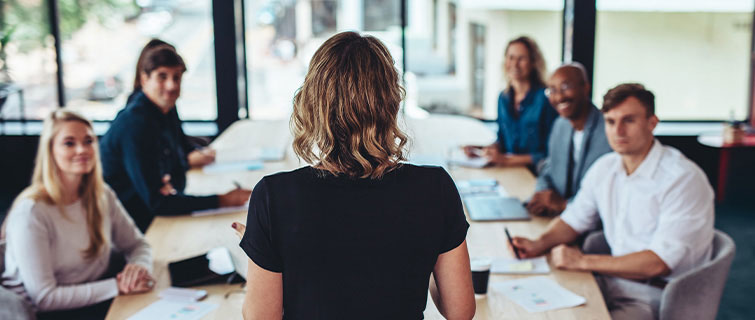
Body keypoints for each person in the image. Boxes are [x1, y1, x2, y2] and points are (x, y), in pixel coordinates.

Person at [232, 32, 476, 319]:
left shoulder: (274, 197)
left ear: (312, 104)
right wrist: (426, 245)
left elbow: (262, 317)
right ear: (391, 102)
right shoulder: (435, 188)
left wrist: (264, 251)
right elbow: (460, 311)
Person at [511, 83, 715, 319]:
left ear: (652, 123)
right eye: (610, 121)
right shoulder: (605, 168)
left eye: (628, 120)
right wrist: (538, 243)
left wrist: (582, 261)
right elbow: (574, 219)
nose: (618, 131)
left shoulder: (682, 179)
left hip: (656, 295)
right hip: (608, 281)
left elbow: (657, 263)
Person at [1, 110, 154, 319]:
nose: (82, 149)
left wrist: (138, 268)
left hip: (92, 299)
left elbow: (139, 244)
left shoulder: (102, 194)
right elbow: (44, 297)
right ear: (51, 150)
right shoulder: (32, 212)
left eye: (88, 141)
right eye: (69, 143)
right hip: (44, 314)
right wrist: (118, 285)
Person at [100, 41, 251, 232]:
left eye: (177, 78)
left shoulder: (164, 107)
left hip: (150, 207)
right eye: (162, 77)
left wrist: (167, 179)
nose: (171, 86)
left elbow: (176, 162)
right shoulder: (135, 124)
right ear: (144, 79)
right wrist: (223, 200)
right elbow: (157, 203)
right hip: (127, 222)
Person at [526, 63, 612, 216]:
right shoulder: (560, 125)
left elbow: (608, 193)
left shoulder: (609, 130)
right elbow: (548, 169)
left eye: (566, 87)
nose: (559, 96)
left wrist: (564, 205)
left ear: (585, 88)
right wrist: (542, 193)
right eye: (552, 90)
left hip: (590, 222)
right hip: (559, 217)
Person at [463, 36, 558, 169]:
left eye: (521, 58)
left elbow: (550, 153)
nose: (514, 64)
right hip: (510, 171)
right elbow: (502, 139)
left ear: (533, 62)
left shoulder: (546, 99)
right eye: (511, 57)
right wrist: (483, 149)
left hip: (535, 173)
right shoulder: (503, 98)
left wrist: (506, 160)